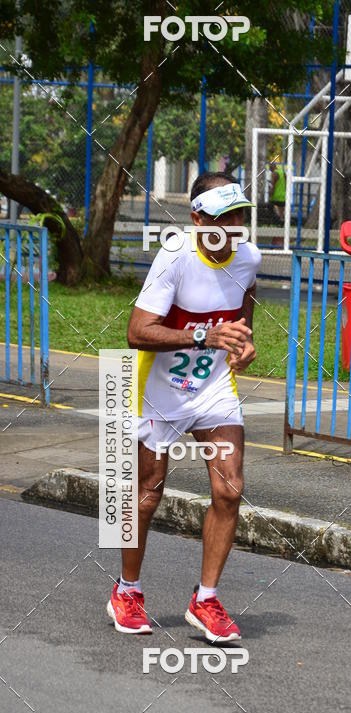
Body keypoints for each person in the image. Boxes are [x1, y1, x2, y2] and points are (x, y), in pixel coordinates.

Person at [106, 172, 261, 641]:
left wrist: (241, 345)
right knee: (149, 492)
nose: (233, 228)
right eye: (223, 219)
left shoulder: (249, 258)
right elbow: (136, 332)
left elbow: (241, 320)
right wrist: (203, 335)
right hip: (160, 390)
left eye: (240, 217)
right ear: (197, 219)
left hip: (213, 389)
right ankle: (127, 591)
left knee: (230, 490)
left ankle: (206, 599)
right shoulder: (174, 256)